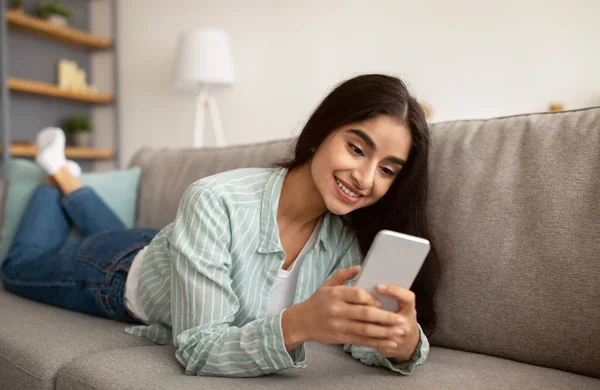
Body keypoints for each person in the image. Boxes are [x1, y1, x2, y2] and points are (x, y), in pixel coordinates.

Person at [0, 74, 439, 378]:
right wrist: (299, 323)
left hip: (173, 249)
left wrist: (401, 343)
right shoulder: (216, 198)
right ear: (323, 130)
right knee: (17, 265)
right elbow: (198, 348)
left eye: (387, 169)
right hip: (116, 273)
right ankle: (53, 173)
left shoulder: (343, 239)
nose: (365, 179)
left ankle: (67, 179)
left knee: (116, 232)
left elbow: (355, 335)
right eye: (357, 149)